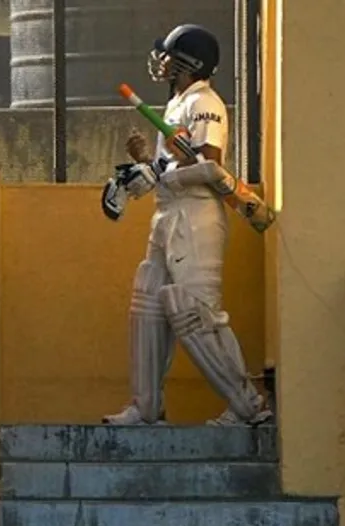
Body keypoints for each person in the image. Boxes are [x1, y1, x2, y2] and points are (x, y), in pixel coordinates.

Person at [102, 23, 272, 427]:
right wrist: (149, 159)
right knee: (148, 301)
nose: (161, 63)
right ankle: (146, 409)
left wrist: (170, 172)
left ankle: (248, 406)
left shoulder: (204, 102)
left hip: (196, 215)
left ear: (187, 62)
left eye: (169, 56)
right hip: (167, 213)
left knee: (194, 311)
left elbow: (207, 163)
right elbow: (175, 163)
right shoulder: (176, 104)